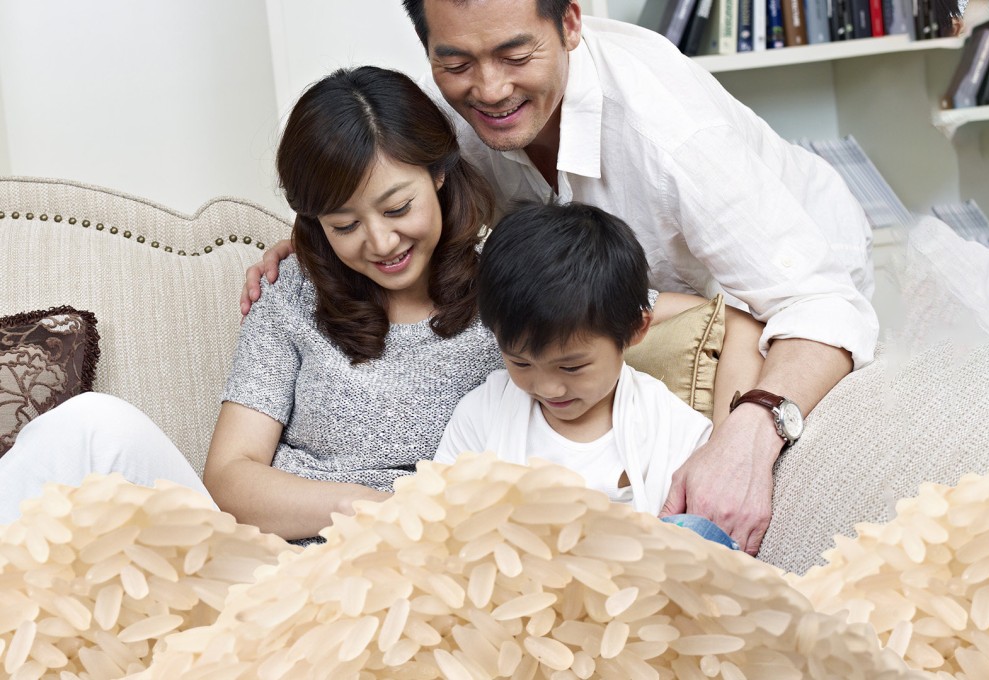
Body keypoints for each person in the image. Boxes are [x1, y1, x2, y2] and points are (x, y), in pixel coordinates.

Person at [0, 65, 762, 542]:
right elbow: (231, 478)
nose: (379, 242)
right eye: (343, 224)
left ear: (438, 174)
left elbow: (708, 319)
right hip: (265, 558)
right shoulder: (293, 293)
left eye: (396, 206)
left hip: (423, 573)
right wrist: (375, 509)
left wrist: (733, 438)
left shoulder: (514, 278)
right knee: (92, 426)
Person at [242, 0, 880, 555]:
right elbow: (380, 190)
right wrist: (317, 237)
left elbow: (814, 305)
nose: (489, 90)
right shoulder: (446, 124)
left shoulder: (674, 136)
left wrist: (744, 436)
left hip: (796, 282)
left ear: (570, 22)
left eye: (516, 54)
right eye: (457, 63)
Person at [436, 202, 722, 535]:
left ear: (635, 330)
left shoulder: (675, 429)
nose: (548, 388)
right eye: (520, 362)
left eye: (571, 367)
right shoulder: (481, 415)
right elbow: (441, 520)